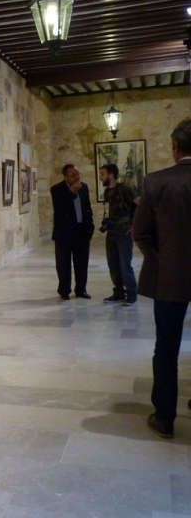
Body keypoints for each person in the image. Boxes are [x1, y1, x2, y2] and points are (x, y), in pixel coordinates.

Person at [132, 118, 191, 438]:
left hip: (171, 279)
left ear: (175, 149)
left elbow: (140, 232)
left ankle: (165, 416)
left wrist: (162, 260)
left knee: (166, 347)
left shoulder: (156, 182)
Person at [50, 164, 94, 300]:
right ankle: (64, 290)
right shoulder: (57, 189)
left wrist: (89, 226)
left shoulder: (84, 187)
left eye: (77, 174)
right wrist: (71, 193)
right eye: (72, 175)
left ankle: (81, 289)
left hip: (81, 230)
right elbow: (60, 208)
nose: (76, 177)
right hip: (64, 232)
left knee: (82, 262)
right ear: (65, 177)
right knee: (63, 263)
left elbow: (87, 207)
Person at [98, 163, 139, 305]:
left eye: (102, 174)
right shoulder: (108, 192)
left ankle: (132, 294)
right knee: (113, 265)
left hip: (123, 232)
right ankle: (118, 293)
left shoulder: (125, 189)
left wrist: (134, 224)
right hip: (112, 232)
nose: (100, 177)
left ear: (110, 175)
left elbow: (140, 203)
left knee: (125, 265)